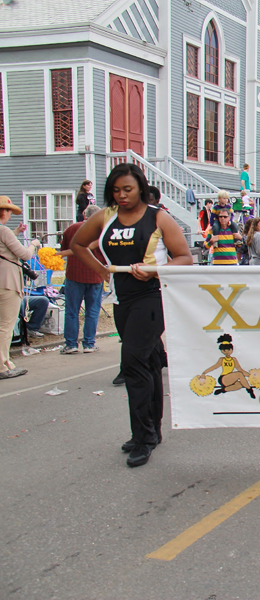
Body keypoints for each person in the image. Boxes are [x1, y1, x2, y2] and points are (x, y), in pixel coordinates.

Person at [72, 163, 192, 468]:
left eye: (128, 189)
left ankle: (143, 437)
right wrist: (102, 272)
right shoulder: (104, 216)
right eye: (116, 190)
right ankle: (153, 429)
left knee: (132, 364)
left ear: (140, 186)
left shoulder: (158, 217)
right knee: (149, 362)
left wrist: (154, 270)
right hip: (121, 298)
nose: (122, 195)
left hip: (152, 296)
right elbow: (77, 245)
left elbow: (185, 258)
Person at [0, 196, 41, 378]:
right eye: (9, 211)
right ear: (4, 212)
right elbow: (24, 255)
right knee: (6, 326)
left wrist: (15, 231)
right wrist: (33, 245)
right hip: (7, 282)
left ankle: (6, 361)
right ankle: (2, 365)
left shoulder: (6, 232)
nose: (10, 214)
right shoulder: (4, 231)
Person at [59, 204, 105, 353]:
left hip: (74, 274)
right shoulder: (102, 231)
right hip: (96, 274)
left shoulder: (72, 228)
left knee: (72, 310)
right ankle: (89, 344)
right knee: (92, 310)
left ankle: (71, 344)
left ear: (85, 215)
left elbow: (64, 248)